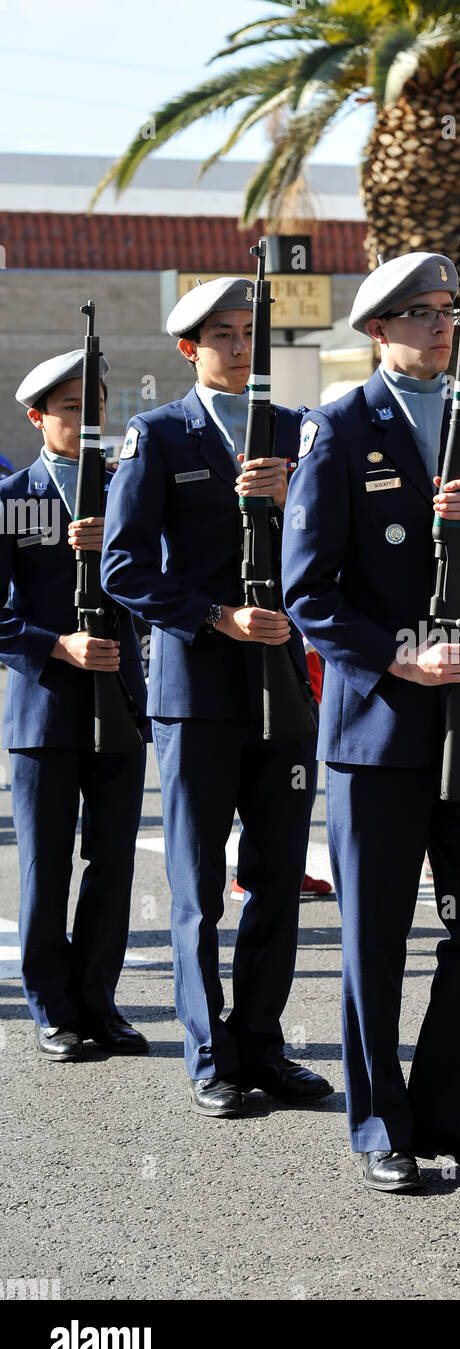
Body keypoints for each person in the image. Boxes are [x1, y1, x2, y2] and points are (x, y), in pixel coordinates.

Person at [282, 251, 460, 1193]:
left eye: (447, 310)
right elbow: (310, 591)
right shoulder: (338, 429)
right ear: (378, 330)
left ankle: (454, 1118)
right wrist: (396, 654)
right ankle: (382, 1127)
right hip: (380, 723)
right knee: (376, 933)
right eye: (420, 313)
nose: (440, 326)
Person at [101, 276, 332, 1117]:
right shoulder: (157, 435)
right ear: (189, 349)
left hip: (284, 687)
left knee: (275, 879)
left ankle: (262, 1045)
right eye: (224, 335)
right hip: (198, 687)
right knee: (200, 885)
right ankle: (208, 1051)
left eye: (250, 332)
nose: (241, 347)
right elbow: (121, 567)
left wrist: (291, 495)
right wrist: (215, 617)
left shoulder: (302, 433)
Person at [6, 350, 148, 1061]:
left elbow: (161, 587)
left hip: (120, 700)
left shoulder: (126, 490)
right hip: (45, 711)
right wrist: (54, 644)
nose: (88, 420)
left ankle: (99, 1000)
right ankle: (52, 1007)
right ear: (37, 418)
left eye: (95, 405)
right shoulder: (11, 499)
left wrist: (117, 549)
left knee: (113, 863)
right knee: (46, 865)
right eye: (70, 408)